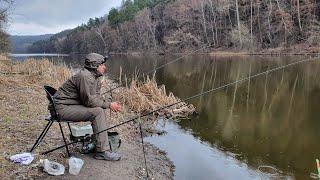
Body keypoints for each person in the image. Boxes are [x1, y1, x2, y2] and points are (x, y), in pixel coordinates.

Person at [53, 53, 121, 161]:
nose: (104, 67)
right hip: (62, 109)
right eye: (102, 64)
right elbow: (89, 101)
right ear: (95, 66)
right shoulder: (85, 77)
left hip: (69, 105)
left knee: (99, 110)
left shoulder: (93, 76)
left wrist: (107, 101)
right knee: (98, 112)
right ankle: (102, 151)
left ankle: (100, 145)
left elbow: (95, 97)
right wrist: (109, 105)